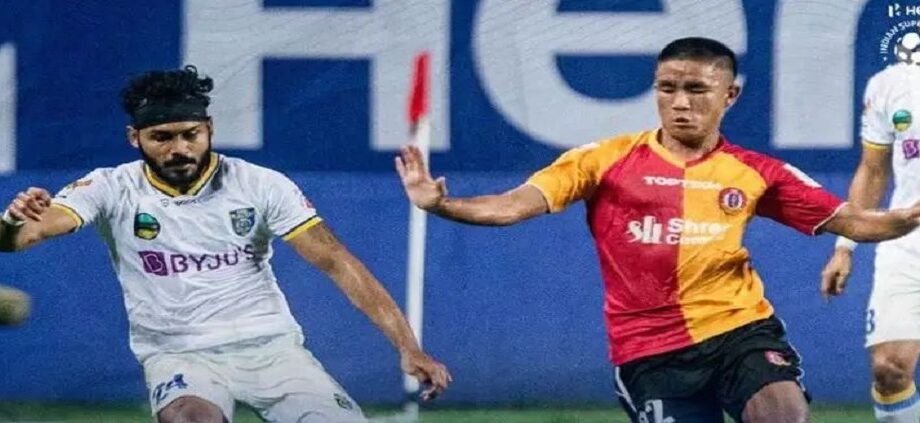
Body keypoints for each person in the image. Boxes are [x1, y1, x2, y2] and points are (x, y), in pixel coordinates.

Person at [396, 37, 920, 423]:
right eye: (667, 89)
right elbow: (512, 206)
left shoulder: (756, 172)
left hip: (740, 331)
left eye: (696, 89)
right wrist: (443, 205)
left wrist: (904, 217)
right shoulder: (603, 160)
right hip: (650, 349)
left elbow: (854, 220)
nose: (680, 102)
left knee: (784, 414)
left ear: (730, 95)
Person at [0, 65, 450, 423]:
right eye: (161, 138)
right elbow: (23, 237)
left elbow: (336, 262)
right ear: (134, 138)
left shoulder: (260, 185)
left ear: (209, 129)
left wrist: (407, 346)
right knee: (191, 419)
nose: (179, 149)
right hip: (177, 353)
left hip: (271, 347)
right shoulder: (109, 187)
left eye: (190, 134)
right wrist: (12, 221)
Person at [820, 56, 920, 422]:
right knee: (888, 369)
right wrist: (844, 246)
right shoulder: (890, 84)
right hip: (908, 244)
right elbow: (873, 170)